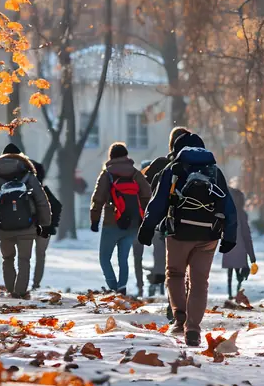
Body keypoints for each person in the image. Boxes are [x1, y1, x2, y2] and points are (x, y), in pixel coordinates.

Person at [138, 132, 237, 347]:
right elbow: (228, 205)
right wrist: (230, 234)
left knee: (175, 274)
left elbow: (159, 202)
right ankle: (193, 328)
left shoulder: (173, 170)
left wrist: (146, 227)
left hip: (178, 232)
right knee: (200, 282)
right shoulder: (214, 171)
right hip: (208, 235)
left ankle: (180, 318)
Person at [0, 142, 51, 298]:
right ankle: (19, 291)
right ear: (21, 158)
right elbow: (41, 201)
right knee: (24, 259)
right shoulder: (29, 177)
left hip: (3, 227)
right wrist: (45, 224)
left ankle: (11, 290)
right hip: (27, 226)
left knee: (7, 258)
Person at [90, 142, 151, 295]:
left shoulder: (107, 174)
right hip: (132, 223)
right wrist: (142, 215)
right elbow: (147, 195)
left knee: (104, 258)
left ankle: (112, 287)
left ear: (111, 156)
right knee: (123, 259)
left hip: (111, 223)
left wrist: (95, 219)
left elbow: (98, 199)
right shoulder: (136, 174)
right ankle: (122, 287)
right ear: (126, 156)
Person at [143, 127, 190, 298]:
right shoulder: (199, 166)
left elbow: (145, 184)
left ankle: (171, 298)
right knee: (185, 262)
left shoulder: (161, 164)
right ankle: (185, 295)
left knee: (165, 259)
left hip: (163, 221)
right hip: (190, 222)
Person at [30, 160, 62, 290]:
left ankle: (24, 282)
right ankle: (36, 283)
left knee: (24, 255)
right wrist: (52, 224)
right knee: (40, 255)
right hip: (45, 229)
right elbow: (57, 206)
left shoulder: (27, 192)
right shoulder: (45, 191)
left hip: (30, 227)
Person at [224, 187, 256, 298]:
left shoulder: (227, 212)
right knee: (238, 271)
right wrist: (252, 256)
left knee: (230, 271)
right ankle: (237, 289)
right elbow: (246, 234)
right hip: (240, 246)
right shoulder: (242, 214)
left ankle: (230, 293)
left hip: (228, 244)